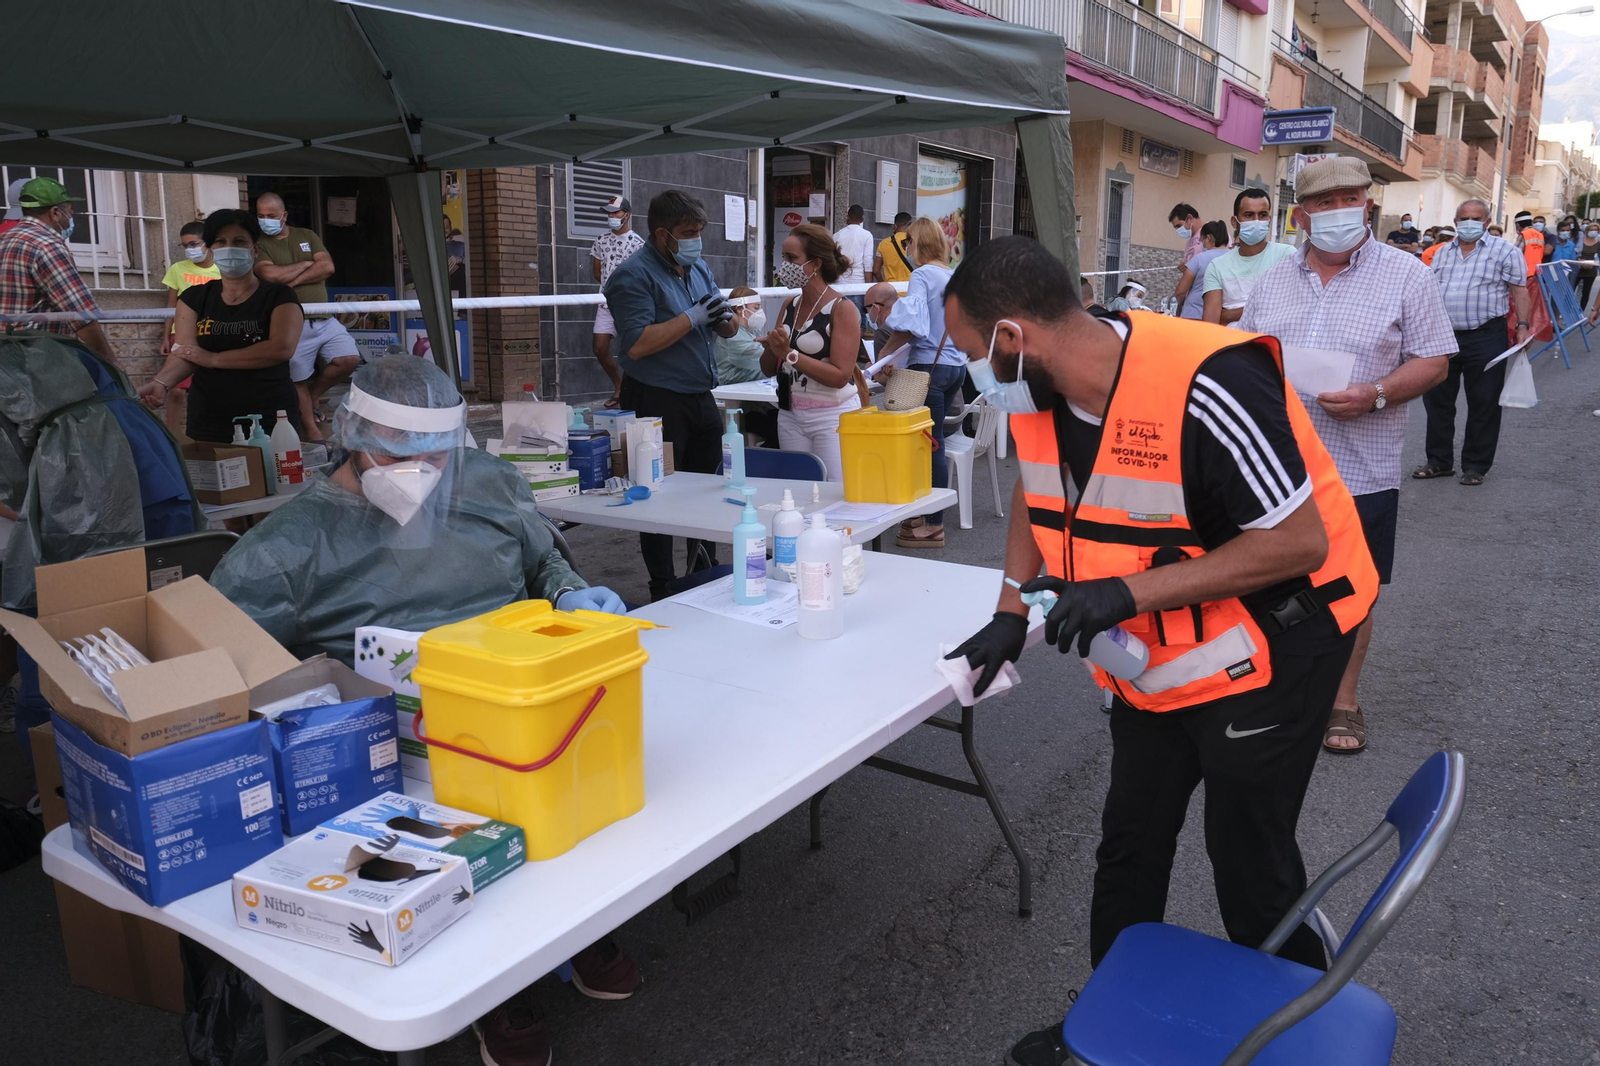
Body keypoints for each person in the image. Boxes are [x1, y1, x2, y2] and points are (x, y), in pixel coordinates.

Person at [937, 237, 1378, 1066]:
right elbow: (1041, 496)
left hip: (1280, 640)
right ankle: (1108, 1025)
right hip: (1158, 660)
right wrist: (1010, 610)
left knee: (1249, 860)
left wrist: (1124, 594)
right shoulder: (1040, 390)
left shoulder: (1208, 382)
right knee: (1130, 841)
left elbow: (1297, 544)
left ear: (1012, 336)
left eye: (971, 352)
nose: (972, 372)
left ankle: (1298, 1036)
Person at [209, 356, 635, 1066]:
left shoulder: (487, 486)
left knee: (579, 810)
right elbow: (229, 667)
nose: (419, 473)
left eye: (436, 456)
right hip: (385, 748)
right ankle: (490, 989)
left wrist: (567, 594)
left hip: (518, 705)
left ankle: (572, 933)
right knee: (456, 851)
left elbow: (545, 561)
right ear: (347, 432)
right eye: (395, 453)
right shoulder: (287, 547)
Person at [1240, 157, 1454, 755]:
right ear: (1302, 215)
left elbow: (1435, 359)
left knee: (1352, 587)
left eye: (1351, 198)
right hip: (1275, 469)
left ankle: (1343, 699)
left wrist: (1376, 393)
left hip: (1361, 465)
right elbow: (1247, 359)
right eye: (1325, 202)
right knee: (1268, 578)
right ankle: (1274, 687)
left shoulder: (1406, 274)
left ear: (1367, 202)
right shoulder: (1275, 280)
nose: (1340, 210)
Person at [604, 189, 737, 600]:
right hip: (655, 400)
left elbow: (726, 330)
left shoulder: (696, 268)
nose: (696, 239)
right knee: (656, 499)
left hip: (700, 395)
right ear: (663, 235)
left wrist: (725, 318)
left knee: (709, 491)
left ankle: (705, 569)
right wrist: (692, 317)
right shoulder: (631, 276)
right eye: (688, 232)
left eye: (700, 231)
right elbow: (637, 344)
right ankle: (661, 586)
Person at [137, 210, 304, 443]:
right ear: (212, 250)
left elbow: (280, 348)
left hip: (270, 418)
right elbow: (185, 352)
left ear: (255, 249)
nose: (230, 248)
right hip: (210, 418)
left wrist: (213, 359)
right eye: (220, 242)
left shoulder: (279, 295)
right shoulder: (194, 297)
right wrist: (161, 383)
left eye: (239, 241)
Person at [1415, 199, 1532, 489]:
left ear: (1487, 220)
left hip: (1486, 335)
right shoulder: (1441, 254)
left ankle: (1476, 465)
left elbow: (1520, 291)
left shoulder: (1506, 251)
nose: (1469, 223)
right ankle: (1439, 462)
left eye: (1476, 218)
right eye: (1464, 218)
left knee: (1484, 402)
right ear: (1455, 221)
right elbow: (1428, 292)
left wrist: (1523, 327)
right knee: (1437, 401)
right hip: (1442, 337)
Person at [880, 216, 961, 549]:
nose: (907, 247)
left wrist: (880, 360)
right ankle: (928, 514)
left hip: (929, 364)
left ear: (919, 243)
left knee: (931, 444)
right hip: (955, 365)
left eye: (909, 241)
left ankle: (933, 523)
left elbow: (909, 328)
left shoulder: (922, 274)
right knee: (934, 441)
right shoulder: (953, 276)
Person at [760, 224, 863, 480]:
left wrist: (789, 353)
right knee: (798, 492)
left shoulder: (842, 308)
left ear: (815, 264)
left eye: (792, 259)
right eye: (783, 258)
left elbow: (841, 375)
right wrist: (772, 348)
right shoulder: (790, 304)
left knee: (836, 495)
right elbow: (767, 367)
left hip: (832, 416)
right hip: (790, 413)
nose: (784, 266)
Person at [253, 191, 355, 440]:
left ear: (284, 215)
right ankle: (313, 434)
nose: (265, 220)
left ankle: (314, 393)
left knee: (348, 359)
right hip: (289, 323)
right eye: (261, 215)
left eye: (271, 215)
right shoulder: (258, 243)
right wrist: (309, 264)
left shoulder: (306, 235)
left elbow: (328, 266)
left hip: (323, 318)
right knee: (297, 377)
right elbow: (271, 276)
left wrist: (293, 280)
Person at [0, 177, 118, 367]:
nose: (70, 219)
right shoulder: (47, 246)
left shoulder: (4, 239)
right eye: (70, 212)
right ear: (55, 212)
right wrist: (110, 362)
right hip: (36, 361)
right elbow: (81, 315)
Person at [158, 221, 221, 434]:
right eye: (185, 246)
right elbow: (170, 305)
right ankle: (173, 438)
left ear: (209, 243)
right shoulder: (177, 269)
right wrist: (166, 336)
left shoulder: (222, 270)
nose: (189, 250)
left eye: (194, 244)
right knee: (176, 390)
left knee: (211, 390)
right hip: (182, 336)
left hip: (212, 336)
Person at [1202, 187, 1295, 326]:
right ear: (1234, 222)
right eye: (1249, 215)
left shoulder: (1287, 256)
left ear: (1269, 219)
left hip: (1274, 345)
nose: (1256, 221)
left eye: (1262, 215)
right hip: (1232, 345)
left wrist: (1229, 314)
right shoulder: (1217, 267)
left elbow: (1293, 310)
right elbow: (1211, 324)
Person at [589, 195, 646, 408]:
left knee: (632, 349)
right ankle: (619, 385)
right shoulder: (600, 240)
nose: (611, 216)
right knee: (599, 347)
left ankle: (633, 392)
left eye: (615, 212)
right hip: (605, 303)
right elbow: (597, 272)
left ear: (626, 215)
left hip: (630, 305)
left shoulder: (638, 244)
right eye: (609, 213)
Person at [715, 285, 778, 447]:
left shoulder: (752, 332)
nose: (759, 312)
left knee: (785, 423)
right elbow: (759, 358)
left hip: (754, 400)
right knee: (781, 430)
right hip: (739, 403)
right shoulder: (731, 336)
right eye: (756, 307)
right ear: (740, 308)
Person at [1174, 221, 1230, 319]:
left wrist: (1185, 305)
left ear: (1208, 238)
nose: (1202, 245)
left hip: (1193, 315)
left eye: (1202, 240)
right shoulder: (1234, 259)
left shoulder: (1198, 259)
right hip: (1221, 317)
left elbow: (1180, 292)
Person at [832, 203, 875, 313]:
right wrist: (868, 289)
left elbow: (832, 261)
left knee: (839, 318)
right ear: (862, 219)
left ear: (848, 216)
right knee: (859, 322)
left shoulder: (836, 235)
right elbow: (868, 263)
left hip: (838, 284)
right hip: (858, 284)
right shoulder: (867, 235)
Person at [873, 211, 915, 286]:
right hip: (910, 288)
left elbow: (876, 270)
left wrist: (884, 284)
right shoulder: (914, 242)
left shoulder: (883, 243)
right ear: (911, 226)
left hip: (891, 290)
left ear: (895, 226)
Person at [1515, 211, 1546, 279]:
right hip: (1537, 272)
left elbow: (1515, 254)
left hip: (1525, 273)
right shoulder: (1540, 235)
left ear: (1517, 225)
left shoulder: (1524, 234)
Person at [1576, 221, 1600, 307]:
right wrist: (1580, 260)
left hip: (1591, 271)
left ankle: (1580, 313)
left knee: (1586, 292)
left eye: (1596, 230)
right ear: (1587, 230)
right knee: (1571, 290)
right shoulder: (1580, 241)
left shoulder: (1598, 243)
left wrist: (1594, 263)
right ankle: (1567, 311)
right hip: (1578, 269)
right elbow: (1576, 253)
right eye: (1592, 229)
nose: (1593, 231)